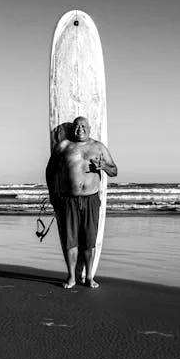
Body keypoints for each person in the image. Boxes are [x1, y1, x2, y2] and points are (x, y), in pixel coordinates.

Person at [45, 116, 117, 289]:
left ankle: (89, 277)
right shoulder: (63, 146)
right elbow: (50, 171)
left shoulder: (98, 147)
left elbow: (114, 170)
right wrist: (53, 194)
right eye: (77, 126)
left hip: (91, 199)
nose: (80, 129)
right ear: (73, 129)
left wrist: (104, 167)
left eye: (84, 126)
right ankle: (71, 277)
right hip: (68, 199)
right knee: (70, 240)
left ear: (89, 128)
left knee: (89, 240)